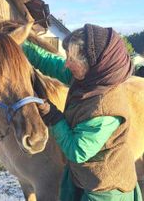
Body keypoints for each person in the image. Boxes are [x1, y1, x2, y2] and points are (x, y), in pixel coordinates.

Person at [22, 23, 143, 201]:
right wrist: (20, 44)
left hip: (105, 189)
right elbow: (52, 63)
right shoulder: (89, 78)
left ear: (93, 64)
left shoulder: (105, 109)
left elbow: (77, 150)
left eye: (72, 59)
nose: (67, 63)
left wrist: (53, 117)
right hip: (85, 177)